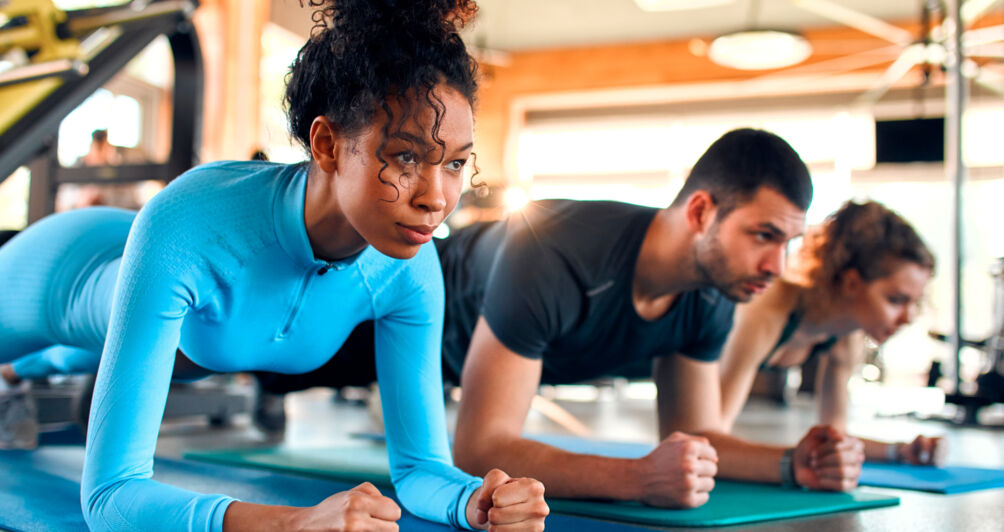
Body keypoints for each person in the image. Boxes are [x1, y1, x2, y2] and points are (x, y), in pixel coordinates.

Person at [0, 1, 549, 530]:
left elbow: (419, 470)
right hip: (66, 270)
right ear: (326, 144)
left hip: (175, 322)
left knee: (91, 354)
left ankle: (22, 369)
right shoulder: (193, 221)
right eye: (406, 157)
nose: (437, 196)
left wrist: (475, 502)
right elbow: (111, 494)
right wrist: (292, 524)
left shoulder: (409, 268)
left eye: (456, 162)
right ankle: (15, 358)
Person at [252, 128, 864, 508]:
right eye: (763, 235)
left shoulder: (711, 294)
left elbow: (697, 437)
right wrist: (635, 479)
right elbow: (480, 448)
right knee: (245, 355)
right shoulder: (558, 249)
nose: (776, 265)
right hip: (386, 307)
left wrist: (792, 464)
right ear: (701, 211)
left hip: (444, 359)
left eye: (787, 242)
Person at [719, 200, 943, 465]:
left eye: (915, 302)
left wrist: (901, 451)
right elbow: (708, 436)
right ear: (851, 283)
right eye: (896, 300)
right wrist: (795, 464)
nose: (909, 317)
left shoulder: (846, 335)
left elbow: (835, 439)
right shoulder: (767, 311)